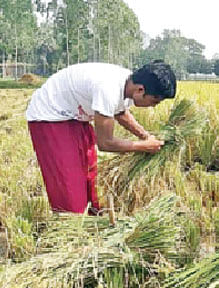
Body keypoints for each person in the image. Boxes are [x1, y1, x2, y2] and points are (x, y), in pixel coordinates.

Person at [26, 60, 176, 215]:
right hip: (50, 117)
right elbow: (105, 143)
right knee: (70, 184)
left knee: (89, 177)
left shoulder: (129, 83)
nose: (153, 106)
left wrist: (145, 136)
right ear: (140, 89)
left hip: (76, 117)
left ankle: (92, 221)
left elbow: (120, 112)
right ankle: (71, 227)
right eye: (154, 101)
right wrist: (144, 146)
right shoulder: (108, 88)